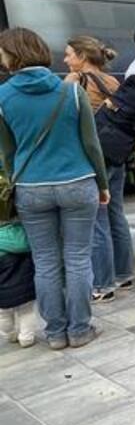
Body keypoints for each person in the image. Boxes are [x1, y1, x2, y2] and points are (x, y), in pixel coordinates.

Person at [0, 28, 109, 349]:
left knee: (45, 261)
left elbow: (7, 153)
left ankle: (55, 333)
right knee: (77, 258)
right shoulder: (72, 92)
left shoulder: (2, 98)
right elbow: (92, 145)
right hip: (78, 184)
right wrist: (102, 184)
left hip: (32, 188)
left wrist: (17, 181)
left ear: (13, 56)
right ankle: (79, 330)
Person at [64, 36, 134, 303]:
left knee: (97, 221)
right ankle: (124, 273)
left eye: (70, 54)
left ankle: (103, 284)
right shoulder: (112, 81)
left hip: (92, 157)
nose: (66, 60)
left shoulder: (76, 81)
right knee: (116, 213)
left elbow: (63, 116)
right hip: (116, 154)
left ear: (82, 56)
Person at [0, 219, 37, 348]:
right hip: (24, 285)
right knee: (26, 311)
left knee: (3, 313)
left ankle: (9, 334)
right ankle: (26, 338)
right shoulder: (21, 233)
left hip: (2, 292)